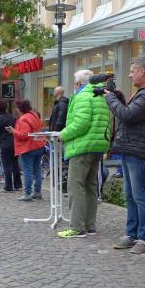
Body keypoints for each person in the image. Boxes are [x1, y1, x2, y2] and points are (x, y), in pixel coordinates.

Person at [105, 56, 145, 254]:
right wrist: (118, 98)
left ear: (143, 71)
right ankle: (131, 234)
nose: (130, 75)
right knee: (130, 195)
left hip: (139, 150)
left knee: (139, 196)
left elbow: (127, 115)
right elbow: (129, 113)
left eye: (132, 71)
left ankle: (143, 238)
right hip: (131, 147)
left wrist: (111, 98)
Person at [57, 74, 111, 238]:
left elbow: (81, 123)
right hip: (98, 145)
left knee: (76, 186)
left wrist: (63, 135)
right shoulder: (101, 96)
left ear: (79, 82)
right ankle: (89, 226)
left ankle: (77, 227)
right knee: (90, 186)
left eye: (74, 82)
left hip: (82, 146)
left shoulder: (83, 96)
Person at [7, 99, 46, 201]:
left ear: (20, 108)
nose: (15, 109)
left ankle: (27, 194)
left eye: (16, 107)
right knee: (37, 170)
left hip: (28, 148)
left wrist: (13, 131)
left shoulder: (23, 119)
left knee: (28, 171)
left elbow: (24, 135)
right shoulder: (34, 115)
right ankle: (37, 192)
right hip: (38, 146)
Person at [0, 100, 22, 192]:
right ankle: (18, 185)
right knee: (15, 164)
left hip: (4, 144)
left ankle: (8, 186)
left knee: (6, 165)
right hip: (14, 142)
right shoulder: (11, 117)